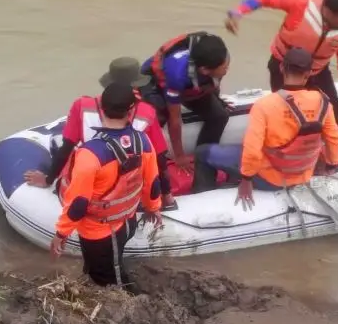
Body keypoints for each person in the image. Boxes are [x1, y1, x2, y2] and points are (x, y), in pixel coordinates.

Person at [191, 48, 338, 204]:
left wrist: (246, 180)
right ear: (309, 73)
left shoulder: (264, 105)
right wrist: (331, 166)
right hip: (303, 174)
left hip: (270, 179)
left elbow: (252, 149)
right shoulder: (323, 102)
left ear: (281, 68)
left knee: (202, 152)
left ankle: (202, 202)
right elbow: (334, 138)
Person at [24, 57, 178, 210]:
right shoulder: (147, 113)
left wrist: (48, 179)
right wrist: (167, 196)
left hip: (87, 191)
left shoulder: (81, 106)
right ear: (136, 86)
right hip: (124, 197)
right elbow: (159, 160)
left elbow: (66, 148)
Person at [224, 0, 338, 154]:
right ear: (329, 11)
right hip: (284, 68)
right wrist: (239, 12)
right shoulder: (301, 2)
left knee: (334, 106)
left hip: (317, 70)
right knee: (286, 112)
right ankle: (288, 149)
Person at [50, 82, 163, 290]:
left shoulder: (89, 154)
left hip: (99, 232)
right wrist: (153, 208)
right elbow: (153, 183)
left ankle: (134, 304)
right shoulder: (144, 142)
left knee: (111, 280)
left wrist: (61, 234)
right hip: (128, 220)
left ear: (101, 108)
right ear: (131, 110)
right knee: (106, 264)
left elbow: (78, 203)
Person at [138, 32, 231, 172]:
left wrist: (217, 100)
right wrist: (179, 156)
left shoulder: (219, 56)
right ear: (205, 70)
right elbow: (174, 119)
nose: (227, 69)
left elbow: (213, 83)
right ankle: (149, 164)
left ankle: (204, 158)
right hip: (156, 82)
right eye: (224, 68)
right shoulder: (177, 74)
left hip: (189, 82)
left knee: (219, 116)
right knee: (160, 117)